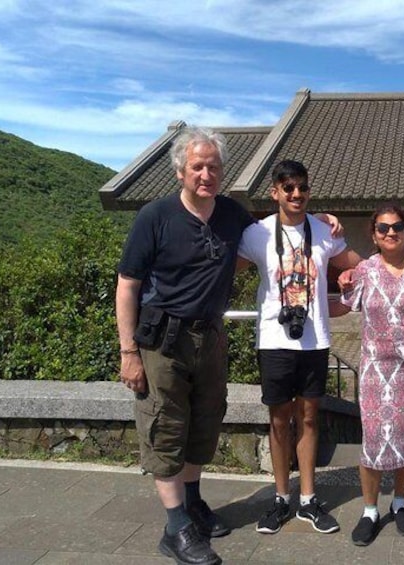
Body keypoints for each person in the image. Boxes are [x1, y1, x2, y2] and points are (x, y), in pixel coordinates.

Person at [116, 126, 254, 565]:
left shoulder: (232, 214)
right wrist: (128, 352)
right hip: (162, 341)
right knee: (166, 427)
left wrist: (323, 224)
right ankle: (175, 529)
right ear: (180, 171)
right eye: (198, 166)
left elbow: (276, 241)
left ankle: (192, 503)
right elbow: (127, 286)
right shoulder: (154, 217)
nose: (206, 174)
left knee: (205, 422)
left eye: (214, 166)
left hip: (210, 336)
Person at [238, 159, 362, 536]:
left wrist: (351, 293)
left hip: (315, 340)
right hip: (274, 339)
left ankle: (308, 498)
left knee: (309, 418)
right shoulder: (257, 233)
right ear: (275, 191)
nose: (296, 194)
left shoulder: (324, 230)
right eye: (288, 188)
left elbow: (358, 266)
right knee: (279, 420)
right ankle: (280, 497)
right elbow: (225, 271)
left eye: (302, 188)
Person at [339, 204, 404, 546]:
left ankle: (399, 503)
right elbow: (346, 303)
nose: (391, 233)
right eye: (383, 229)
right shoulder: (364, 270)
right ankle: (370, 510)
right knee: (374, 439)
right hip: (377, 368)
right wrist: (341, 279)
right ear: (373, 235)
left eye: (397, 227)